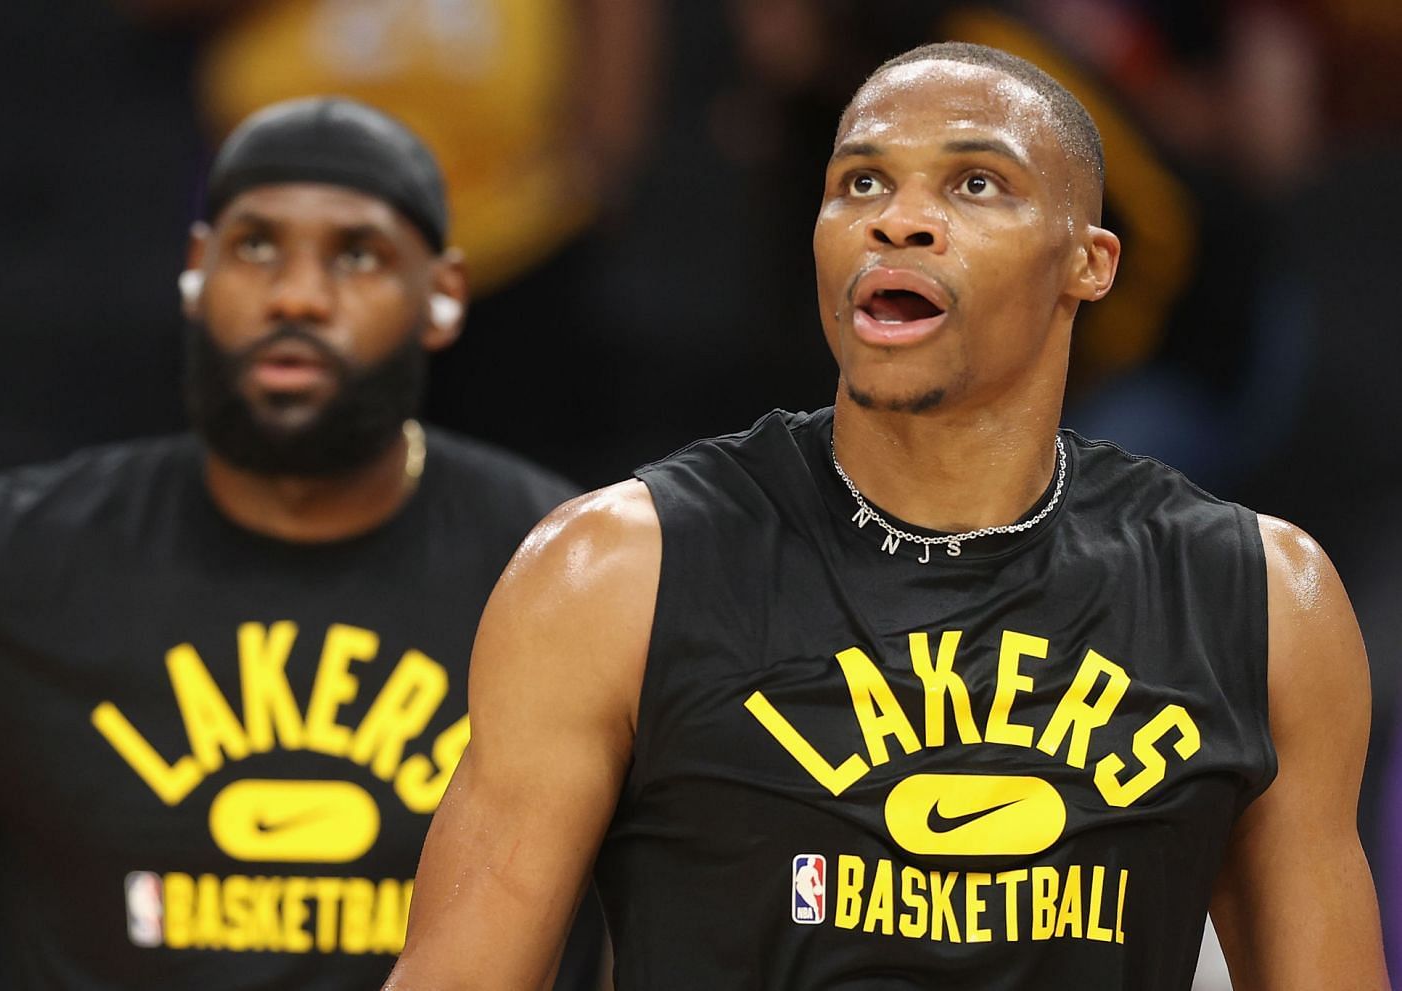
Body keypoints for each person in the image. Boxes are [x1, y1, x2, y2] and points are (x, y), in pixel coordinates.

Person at [385, 43, 1389, 989]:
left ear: (1089, 263)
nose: (897, 219)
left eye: (974, 184)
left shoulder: (1255, 599)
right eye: (860, 183)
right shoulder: (613, 571)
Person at [0, 97, 602, 989]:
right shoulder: (5, 565)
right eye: (255, 247)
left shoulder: (572, 578)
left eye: (357, 255)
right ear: (198, 271)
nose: (297, 295)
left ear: (442, 295)